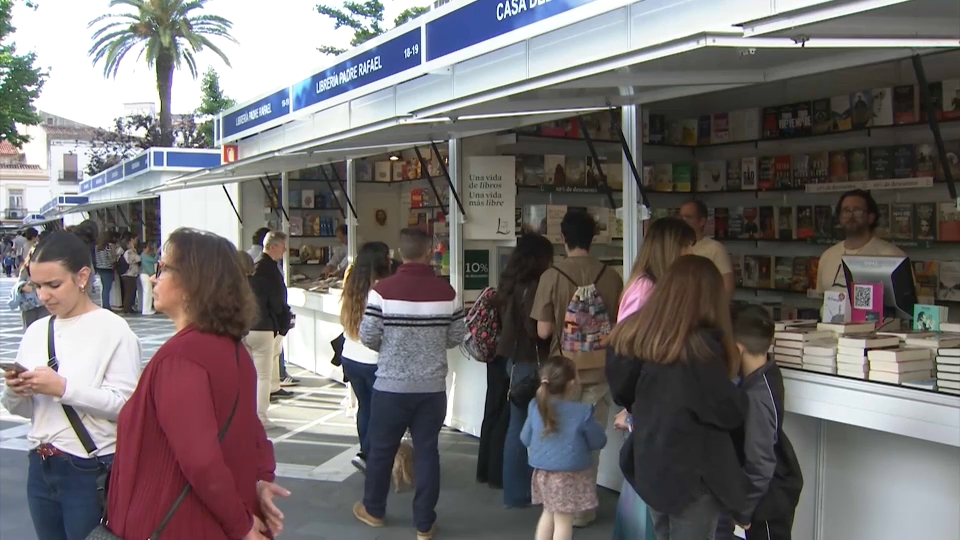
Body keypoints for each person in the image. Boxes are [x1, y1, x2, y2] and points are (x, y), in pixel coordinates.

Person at [103, 228, 290, 540]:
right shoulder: (231, 348)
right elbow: (249, 431)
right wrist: (258, 479)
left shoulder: (182, 358)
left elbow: (200, 459)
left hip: (180, 522)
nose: (153, 278)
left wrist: (239, 524)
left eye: (162, 269)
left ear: (193, 282)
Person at [0, 230, 141, 540]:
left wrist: (63, 388)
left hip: (89, 469)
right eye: (37, 286)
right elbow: (23, 409)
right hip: (39, 463)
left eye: (53, 285)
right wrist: (16, 390)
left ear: (82, 276)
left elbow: (127, 406)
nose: (43, 296)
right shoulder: (37, 330)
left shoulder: (113, 329)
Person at [606, 255, 749, 540]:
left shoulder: (633, 335)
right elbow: (728, 412)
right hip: (693, 474)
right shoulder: (701, 351)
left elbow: (621, 391)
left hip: (650, 459)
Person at [352, 227, 466, 540]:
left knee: (381, 451)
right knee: (428, 452)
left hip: (391, 387)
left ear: (400, 253)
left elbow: (368, 335)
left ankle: (374, 510)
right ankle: (424, 524)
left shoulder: (381, 291)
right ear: (430, 252)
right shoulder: (448, 292)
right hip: (431, 389)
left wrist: (394, 349)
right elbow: (457, 335)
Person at [530, 209, 623, 528]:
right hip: (599, 372)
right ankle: (583, 509)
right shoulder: (611, 276)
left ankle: (557, 507)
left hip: (561, 374)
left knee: (556, 438)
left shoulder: (551, 276)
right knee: (589, 440)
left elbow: (543, 331)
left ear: (563, 238)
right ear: (593, 237)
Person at [612, 217, 697, 540]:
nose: (691, 253)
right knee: (648, 492)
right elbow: (631, 349)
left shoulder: (652, 285)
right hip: (649, 398)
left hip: (650, 398)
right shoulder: (647, 289)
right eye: (687, 246)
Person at [717, 306, 803, 540]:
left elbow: (761, 461)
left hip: (766, 502)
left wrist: (742, 512)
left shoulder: (757, 396)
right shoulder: (765, 373)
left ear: (737, 348)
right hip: (767, 492)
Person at [489, 233, 554, 505]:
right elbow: (535, 330)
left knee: (517, 426)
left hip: (513, 360)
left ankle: (515, 492)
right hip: (530, 360)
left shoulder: (509, 282)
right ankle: (522, 492)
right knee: (527, 427)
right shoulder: (536, 285)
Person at [521, 356, 607, 540]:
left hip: (543, 474)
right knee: (564, 521)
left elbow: (524, 438)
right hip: (570, 476)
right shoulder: (582, 412)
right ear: (572, 383)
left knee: (548, 513)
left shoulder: (535, 406)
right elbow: (598, 441)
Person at [339, 241, 392, 473]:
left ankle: (365, 451)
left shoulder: (352, 286)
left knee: (365, 407)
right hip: (373, 360)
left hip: (351, 356)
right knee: (380, 412)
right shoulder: (382, 290)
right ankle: (373, 455)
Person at [247, 231, 293, 427]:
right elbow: (272, 300)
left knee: (257, 373)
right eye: (283, 246)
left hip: (254, 325)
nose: (285, 251)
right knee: (262, 374)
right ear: (273, 246)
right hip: (263, 325)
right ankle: (260, 415)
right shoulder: (264, 268)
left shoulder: (264, 266)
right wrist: (281, 319)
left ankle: (254, 413)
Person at [815, 189, 904, 293]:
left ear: (871, 217)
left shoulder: (893, 257)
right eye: (846, 211)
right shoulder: (827, 256)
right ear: (839, 217)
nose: (851, 216)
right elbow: (822, 298)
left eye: (857, 210)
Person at [679, 200, 735, 296]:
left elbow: (727, 289)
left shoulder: (715, 248)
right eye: (681, 217)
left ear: (702, 221)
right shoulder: (674, 246)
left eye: (688, 217)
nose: (682, 221)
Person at [10, 245, 49, 329]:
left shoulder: (48, 267)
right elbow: (19, 283)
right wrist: (23, 286)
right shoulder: (25, 268)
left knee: (44, 330)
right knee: (30, 330)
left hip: (44, 303)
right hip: (28, 305)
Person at [94, 231, 118, 309]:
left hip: (100, 268)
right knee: (107, 288)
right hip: (108, 268)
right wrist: (115, 260)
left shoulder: (97, 247)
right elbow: (110, 258)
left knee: (104, 288)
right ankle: (106, 305)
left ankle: (104, 304)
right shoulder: (108, 247)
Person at [120, 236, 141, 314]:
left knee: (131, 291)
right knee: (129, 291)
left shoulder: (128, 251)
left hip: (131, 274)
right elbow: (137, 259)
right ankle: (127, 308)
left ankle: (129, 307)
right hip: (129, 274)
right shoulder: (129, 252)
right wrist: (133, 250)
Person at [139, 242, 158, 315]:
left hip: (145, 275)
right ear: (144, 248)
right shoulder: (144, 255)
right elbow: (154, 260)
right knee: (147, 292)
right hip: (145, 275)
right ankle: (146, 310)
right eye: (147, 248)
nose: (149, 249)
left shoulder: (144, 255)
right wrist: (157, 254)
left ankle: (147, 309)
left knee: (148, 292)